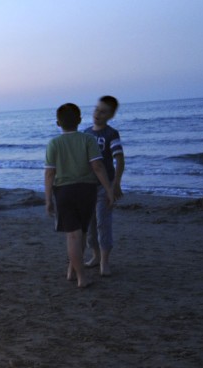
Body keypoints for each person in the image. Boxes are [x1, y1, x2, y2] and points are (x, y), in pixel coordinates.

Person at [44, 103, 113, 289]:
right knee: (81, 233)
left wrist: (48, 198)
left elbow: (50, 173)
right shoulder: (88, 139)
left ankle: (77, 274)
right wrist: (109, 189)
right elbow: (98, 167)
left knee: (72, 235)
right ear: (80, 120)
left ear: (58, 123)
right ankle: (75, 272)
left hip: (64, 191)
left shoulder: (54, 143)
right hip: (86, 190)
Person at [83, 95, 124, 276]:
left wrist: (116, 184)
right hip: (87, 185)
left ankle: (105, 262)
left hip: (104, 186)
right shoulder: (86, 133)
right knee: (89, 225)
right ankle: (96, 256)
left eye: (103, 111)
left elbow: (119, 160)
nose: (97, 114)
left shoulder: (111, 134)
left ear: (111, 115)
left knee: (103, 223)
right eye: (96, 109)